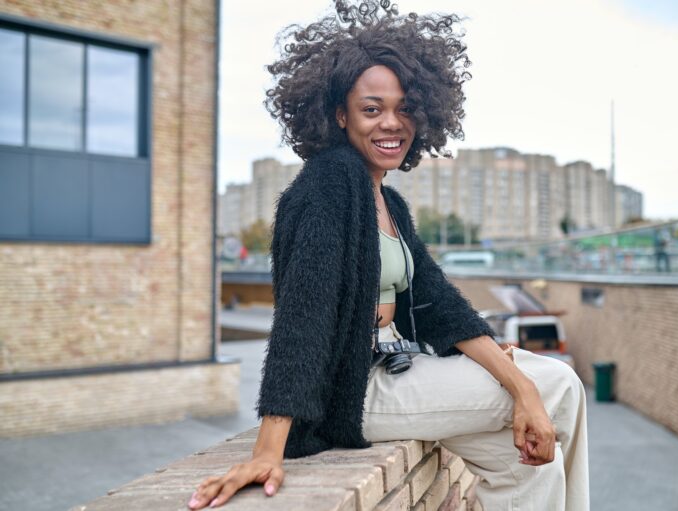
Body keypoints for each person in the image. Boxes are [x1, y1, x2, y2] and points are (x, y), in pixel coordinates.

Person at [188, 2, 589, 510]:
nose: (391, 124)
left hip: (401, 368)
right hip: (357, 390)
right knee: (560, 383)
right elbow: (302, 318)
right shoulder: (330, 184)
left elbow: (438, 304)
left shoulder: (389, 200)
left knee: (529, 460)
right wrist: (270, 449)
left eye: (404, 109)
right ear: (339, 115)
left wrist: (515, 381)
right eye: (372, 109)